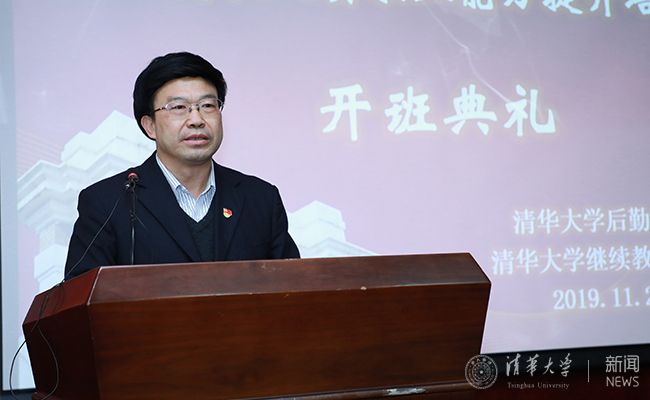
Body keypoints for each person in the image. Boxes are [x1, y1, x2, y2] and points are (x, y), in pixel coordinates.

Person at [64, 52, 299, 280]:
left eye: (207, 105)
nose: (196, 120)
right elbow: (81, 295)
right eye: (178, 107)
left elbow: (294, 286)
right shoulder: (108, 203)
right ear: (150, 126)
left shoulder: (260, 199)